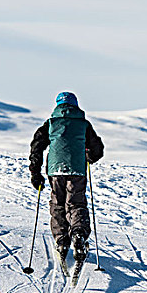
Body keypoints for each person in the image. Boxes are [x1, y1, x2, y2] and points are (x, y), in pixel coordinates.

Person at [29, 91, 104, 267]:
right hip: (77, 169)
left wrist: (35, 172)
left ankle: (62, 241)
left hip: (55, 170)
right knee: (76, 203)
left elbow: (36, 147)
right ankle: (78, 233)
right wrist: (89, 157)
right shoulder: (84, 125)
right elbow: (98, 149)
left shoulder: (51, 124)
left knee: (58, 203)